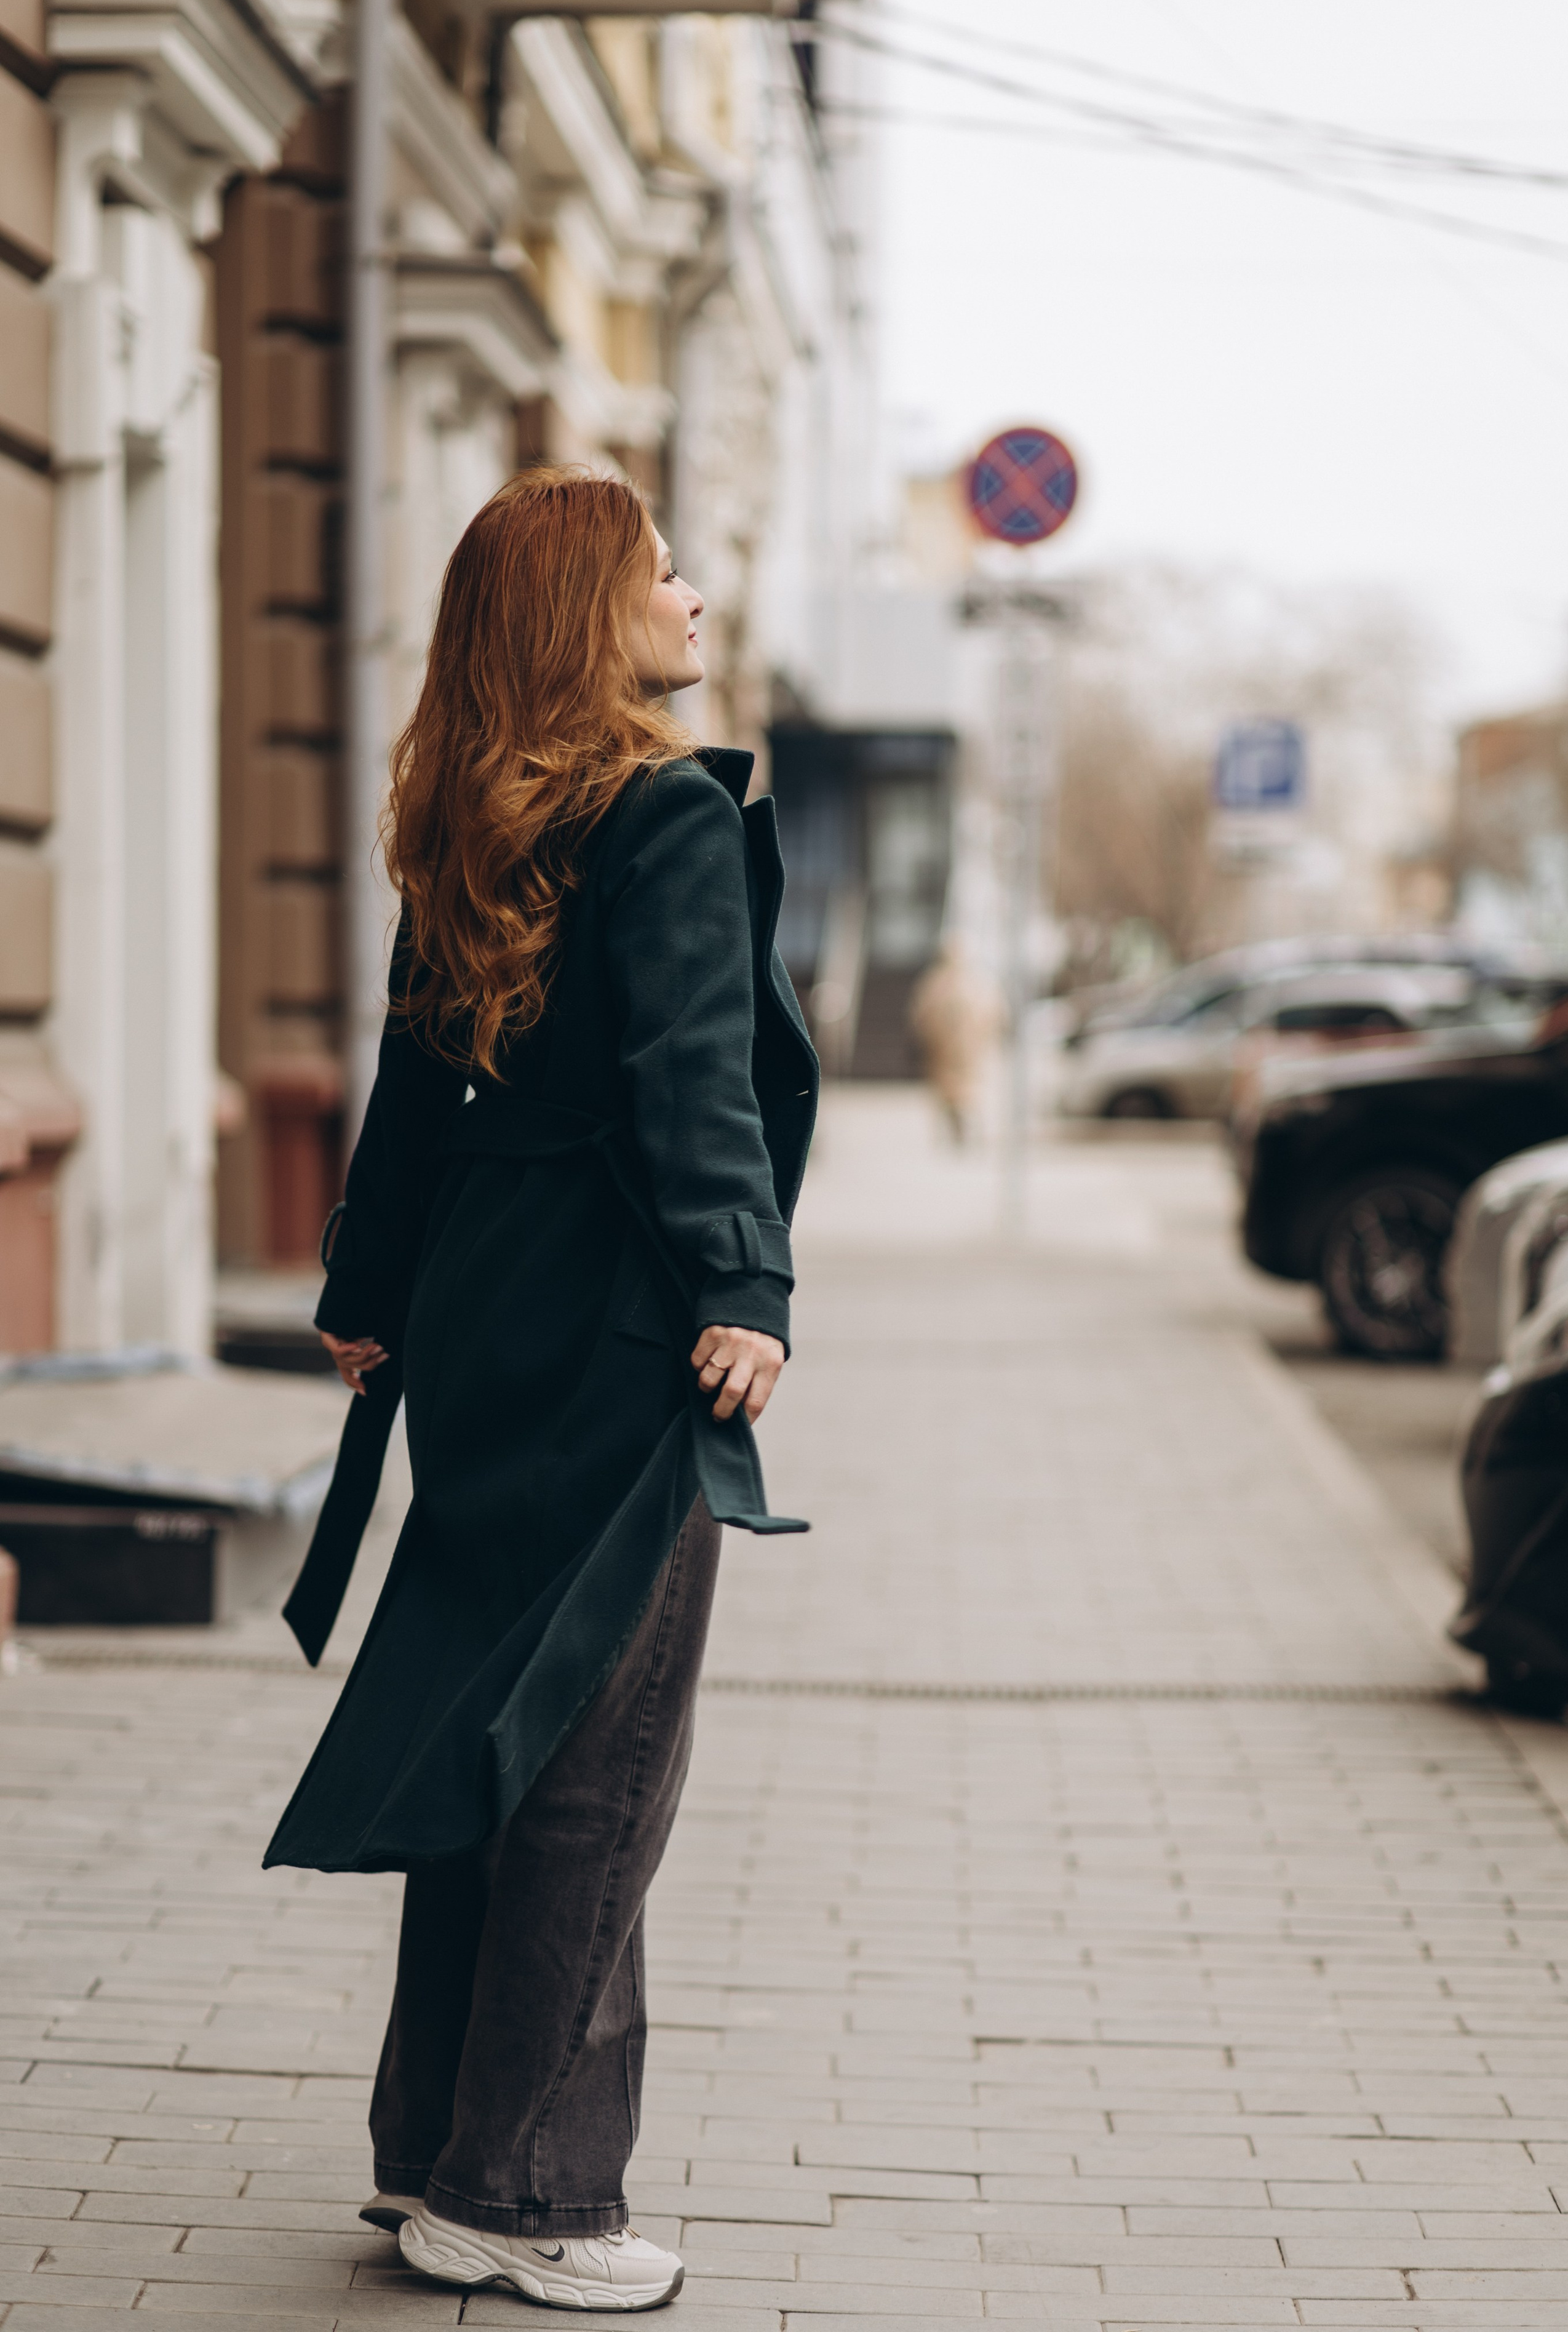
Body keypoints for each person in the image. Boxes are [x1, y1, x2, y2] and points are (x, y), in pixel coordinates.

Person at [261, 468, 818, 2312]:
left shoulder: (472, 806)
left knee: (505, 1731)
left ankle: (435, 2153)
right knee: (597, 1757)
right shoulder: (664, 811)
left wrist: (368, 1283)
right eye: (665, 573)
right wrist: (742, 1279)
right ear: (599, 611)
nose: (695, 598)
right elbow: (695, 1072)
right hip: (614, 1315)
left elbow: (415, 1080)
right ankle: (529, 2190)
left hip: (488, 1313)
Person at [909, 935, 1003, 1145]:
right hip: (957, 1050)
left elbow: (920, 1016)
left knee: (959, 1092)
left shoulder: (937, 983)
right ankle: (962, 1131)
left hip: (956, 1050)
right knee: (963, 1092)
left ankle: (962, 1131)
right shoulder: (976, 983)